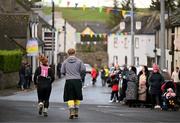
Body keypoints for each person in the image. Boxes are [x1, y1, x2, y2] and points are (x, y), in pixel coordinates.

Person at [61, 48, 85, 119]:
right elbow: (83, 70)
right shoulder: (79, 61)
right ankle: (76, 111)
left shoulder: (65, 62)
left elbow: (62, 71)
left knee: (70, 96)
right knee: (77, 96)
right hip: (77, 80)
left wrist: (67, 73)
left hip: (69, 80)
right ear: (75, 53)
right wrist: (80, 75)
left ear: (68, 53)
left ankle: (71, 111)